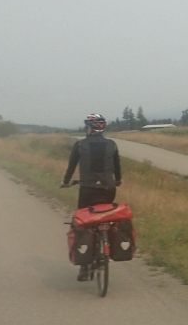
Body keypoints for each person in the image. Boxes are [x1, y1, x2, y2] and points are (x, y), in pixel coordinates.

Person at [61, 113, 122, 281]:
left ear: (89, 127)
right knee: (105, 216)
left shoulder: (80, 145)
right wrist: (118, 180)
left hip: (88, 189)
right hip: (109, 189)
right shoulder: (112, 144)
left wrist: (66, 182)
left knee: (84, 222)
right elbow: (117, 167)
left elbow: (71, 166)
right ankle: (106, 243)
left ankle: (84, 267)